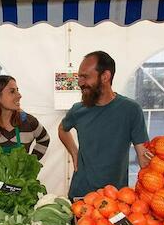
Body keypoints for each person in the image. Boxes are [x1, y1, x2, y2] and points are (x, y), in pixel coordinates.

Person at [58, 51, 150, 199]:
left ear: (105, 77)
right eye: (79, 77)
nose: (80, 82)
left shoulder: (130, 110)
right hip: (81, 195)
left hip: (115, 196)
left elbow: (143, 155)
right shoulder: (78, 110)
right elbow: (63, 129)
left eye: (85, 77)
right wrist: (74, 153)